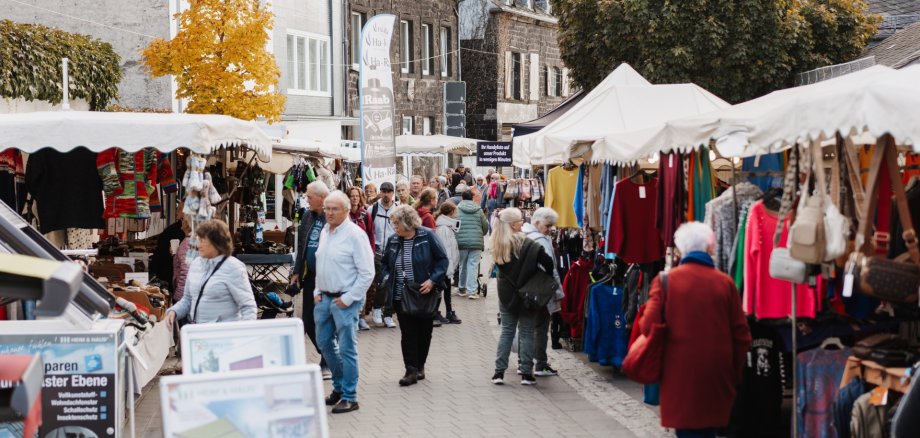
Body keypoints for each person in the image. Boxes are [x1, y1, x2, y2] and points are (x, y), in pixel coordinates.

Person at [638, 222, 751, 437]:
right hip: (717, 371)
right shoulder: (725, 283)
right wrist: (733, 373)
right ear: (709, 248)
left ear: (680, 250)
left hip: (678, 372)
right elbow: (741, 336)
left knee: (687, 429)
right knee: (710, 428)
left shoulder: (665, 282)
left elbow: (647, 326)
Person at [313, 190, 375, 414]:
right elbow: (322, 262)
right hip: (324, 298)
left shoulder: (355, 235)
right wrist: (317, 290)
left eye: (334, 209)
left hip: (345, 300)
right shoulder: (325, 232)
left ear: (346, 211)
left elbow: (367, 273)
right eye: (327, 208)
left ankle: (350, 396)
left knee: (348, 348)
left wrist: (348, 298)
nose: (328, 212)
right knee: (324, 343)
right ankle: (339, 387)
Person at [379, 205, 449, 386]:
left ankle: (420, 366)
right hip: (401, 294)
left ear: (407, 223)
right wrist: (387, 278)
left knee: (424, 332)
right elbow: (385, 263)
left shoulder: (427, 236)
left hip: (424, 292)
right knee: (408, 333)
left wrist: (433, 280)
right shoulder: (394, 240)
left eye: (396, 223)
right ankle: (410, 369)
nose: (394, 227)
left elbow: (443, 260)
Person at [490, 208, 553, 386]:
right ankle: (526, 373)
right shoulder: (528, 244)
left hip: (506, 295)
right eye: (519, 220)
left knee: (507, 332)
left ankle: (498, 372)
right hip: (527, 293)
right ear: (513, 224)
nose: (522, 223)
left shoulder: (498, 244)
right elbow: (548, 263)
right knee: (526, 333)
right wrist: (539, 278)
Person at [166, 219, 257, 326]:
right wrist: (174, 312)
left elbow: (248, 306)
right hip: (198, 333)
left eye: (202, 240)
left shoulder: (234, 267)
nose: (198, 245)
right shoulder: (195, 264)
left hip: (223, 336)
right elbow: (187, 299)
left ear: (216, 242)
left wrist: (242, 335)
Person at [291, 181, 330, 377]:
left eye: (309, 197)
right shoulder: (307, 216)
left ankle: (327, 361)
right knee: (307, 319)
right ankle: (329, 354)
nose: (307, 199)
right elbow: (302, 247)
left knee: (324, 319)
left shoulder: (331, 216)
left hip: (328, 277)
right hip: (310, 276)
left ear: (322, 198)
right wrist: (296, 271)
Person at [522, 208, 565, 377]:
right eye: (548, 226)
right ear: (538, 222)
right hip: (540, 291)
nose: (549, 230)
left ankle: (523, 363)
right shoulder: (541, 241)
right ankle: (540, 364)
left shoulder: (523, 236)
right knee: (540, 327)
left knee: (526, 327)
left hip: (525, 290)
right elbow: (551, 270)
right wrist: (558, 293)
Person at [370, 182, 398, 328]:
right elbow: (368, 231)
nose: (386, 194)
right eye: (383, 191)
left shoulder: (399, 209)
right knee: (382, 282)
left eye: (389, 191)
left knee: (394, 283)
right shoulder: (373, 209)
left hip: (394, 251)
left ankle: (388, 314)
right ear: (380, 192)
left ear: (393, 193)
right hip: (378, 251)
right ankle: (377, 307)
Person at [347, 186, 375, 331]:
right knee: (350, 286)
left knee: (362, 287)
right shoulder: (345, 215)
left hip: (363, 256)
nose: (354, 198)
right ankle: (352, 317)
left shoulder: (365, 214)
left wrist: (371, 253)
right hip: (348, 257)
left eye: (357, 195)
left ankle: (362, 317)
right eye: (352, 196)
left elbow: (371, 234)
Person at [456, 190, 489, 299]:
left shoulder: (457, 209)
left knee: (462, 265)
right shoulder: (478, 210)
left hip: (461, 242)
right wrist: (480, 234)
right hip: (476, 243)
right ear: (472, 198)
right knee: (473, 265)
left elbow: (454, 226)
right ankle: (472, 291)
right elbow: (485, 226)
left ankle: (461, 289)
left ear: (462, 197)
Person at [434, 202, 461, 324]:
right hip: (445, 265)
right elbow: (445, 250)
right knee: (441, 289)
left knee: (446, 289)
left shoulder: (446, 227)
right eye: (455, 212)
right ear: (450, 213)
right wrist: (447, 266)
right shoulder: (444, 229)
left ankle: (448, 312)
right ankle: (435, 312)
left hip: (447, 265)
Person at [150, 203, 187, 292]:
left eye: (179, 209)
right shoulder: (173, 230)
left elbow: (159, 254)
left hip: (171, 276)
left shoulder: (173, 231)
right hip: (174, 277)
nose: (176, 212)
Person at [172, 216, 192, 302]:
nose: (181, 220)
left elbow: (186, 272)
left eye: (183, 219)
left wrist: (178, 297)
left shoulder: (188, 242)